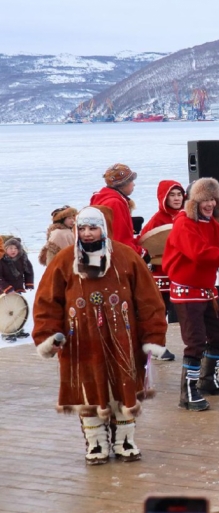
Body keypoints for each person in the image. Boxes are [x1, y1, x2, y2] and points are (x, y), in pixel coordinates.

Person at [32, 206, 167, 464]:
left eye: (93, 228)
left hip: (123, 339)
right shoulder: (63, 261)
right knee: (88, 390)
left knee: (124, 388)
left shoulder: (127, 257)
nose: (87, 233)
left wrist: (153, 336)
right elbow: (47, 301)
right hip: (81, 341)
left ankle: (125, 439)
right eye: (81, 228)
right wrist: (48, 334)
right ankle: (96, 443)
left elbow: (149, 301)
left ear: (103, 229)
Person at [162, 178, 219, 410]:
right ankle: (187, 393)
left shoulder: (209, 223)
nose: (209, 204)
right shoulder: (183, 223)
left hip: (207, 291)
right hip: (187, 292)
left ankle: (207, 381)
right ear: (195, 201)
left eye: (213, 199)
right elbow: (200, 253)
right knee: (195, 342)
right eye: (204, 200)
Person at [139, 180, 186, 362]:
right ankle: (156, 347)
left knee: (189, 311)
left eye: (179, 194)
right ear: (164, 198)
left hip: (182, 272)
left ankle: (198, 343)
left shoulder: (188, 216)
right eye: (172, 195)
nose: (176, 198)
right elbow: (143, 244)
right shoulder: (157, 220)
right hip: (162, 274)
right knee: (160, 312)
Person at [89, 163, 147, 257]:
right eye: (131, 181)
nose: (134, 184)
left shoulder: (102, 198)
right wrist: (141, 253)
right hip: (116, 259)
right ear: (123, 184)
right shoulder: (115, 203)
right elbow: (120, 240)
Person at [0, 237, 35, 342]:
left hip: (17, 289)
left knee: (17, 310)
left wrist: (29, 283)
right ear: (5, 249)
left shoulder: (22, 259)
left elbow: (29, 271)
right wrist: (7, 289)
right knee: (5, 312)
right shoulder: (1, 260)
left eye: (15, 248)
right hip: (4, 291)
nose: (13, 250)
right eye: (10, 248)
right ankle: (6, 332)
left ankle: (17, 329)